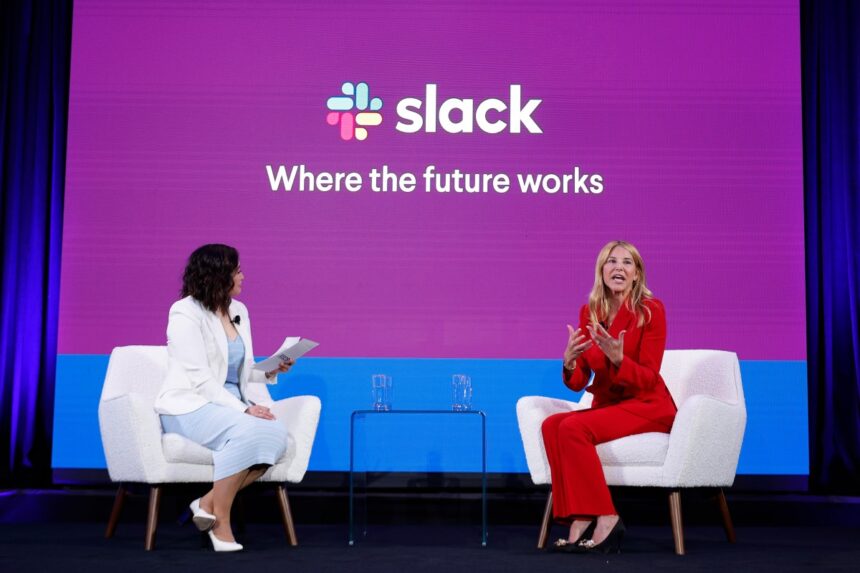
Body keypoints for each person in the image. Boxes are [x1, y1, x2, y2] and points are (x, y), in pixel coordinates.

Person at [154, 244, 293, 552]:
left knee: (275, 435)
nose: (243, 276)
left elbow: (243, 369)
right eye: (237, 271)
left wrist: (273, 368)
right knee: (250, 431)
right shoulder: (184, 312)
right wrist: (244, 411)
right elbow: (201, 379)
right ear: (218, 274)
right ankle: (221, 523)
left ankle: (206, 503)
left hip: (233, 403)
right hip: (190, 404)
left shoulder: (239, 310)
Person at [542, 240, 677, 554]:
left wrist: (619, 360)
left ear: (636, 274)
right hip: (610, 406)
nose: (619, 267)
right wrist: (569, 362)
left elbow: (649, 377)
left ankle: (606, 516)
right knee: (551, 426)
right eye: (611, 261)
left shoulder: (650, 311)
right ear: (601, 271)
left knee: (573, 427)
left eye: (627, 262)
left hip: (646, 405)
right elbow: (579, 381)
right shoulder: (590, 313)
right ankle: (579, 515)